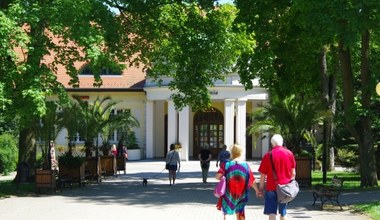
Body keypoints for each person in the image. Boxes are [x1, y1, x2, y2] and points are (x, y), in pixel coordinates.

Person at [215, 144, 261, 220]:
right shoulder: (245, 165)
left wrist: (223, 177)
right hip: (242, 193)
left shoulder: (226, 164)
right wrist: (257, 190)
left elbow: (218, 176)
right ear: (241, 153)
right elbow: (252, 180)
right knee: (240, 212)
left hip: (228, 192)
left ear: (232, 153)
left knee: (227, 212)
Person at [258, 134, 296, 220]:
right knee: (283, 213)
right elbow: (293, 173)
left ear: (272, 144)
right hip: (284, 188)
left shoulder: (267, 155)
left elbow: (263, 175)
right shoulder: (289, 153)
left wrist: (260, 189)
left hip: (271, 187)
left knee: (272, 213)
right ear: (282, 142)